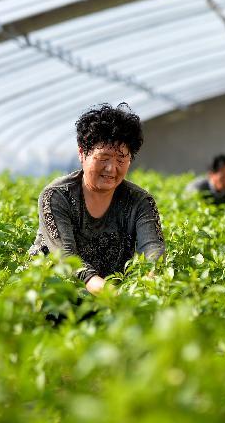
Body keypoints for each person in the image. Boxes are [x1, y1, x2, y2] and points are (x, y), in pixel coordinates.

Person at [29, 103, 166, 296]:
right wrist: (107, 291)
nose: (111, 168)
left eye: (121, 160)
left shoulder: (140, 201)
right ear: (82, 154)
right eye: (103, 158)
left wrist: (150, 279)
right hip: (52, 294)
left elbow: (152, 246)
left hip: (110, 295)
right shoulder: (57, 195)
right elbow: (66, 257)